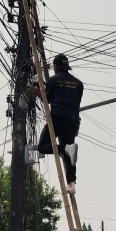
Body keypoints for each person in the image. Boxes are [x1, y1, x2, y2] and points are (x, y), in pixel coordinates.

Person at [36, 53, 83, 194]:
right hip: (73, 120)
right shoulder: (79, 84)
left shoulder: (53, 80)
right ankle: (71, 183)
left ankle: (63, 150)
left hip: (57, 118)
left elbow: (47, 99)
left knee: (43, 147)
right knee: (70, 151)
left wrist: (38, 92)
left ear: (55, 66)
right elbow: (74, 100)